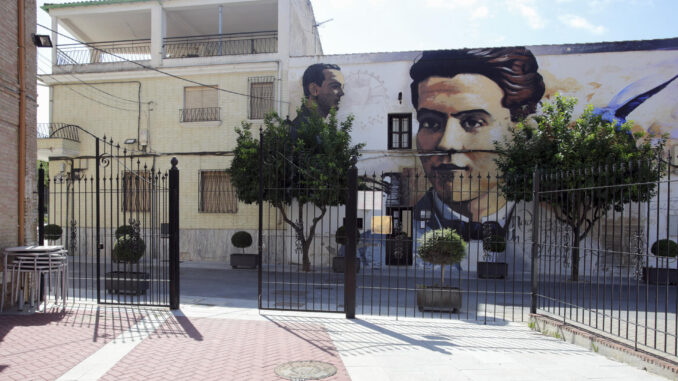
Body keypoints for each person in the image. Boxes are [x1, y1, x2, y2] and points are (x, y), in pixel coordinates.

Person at [409, 48, 545, 242]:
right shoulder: (376, 248)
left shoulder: (560, 237)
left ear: (522, 134)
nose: (447, 143)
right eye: (430, 123)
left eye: (472, 122)